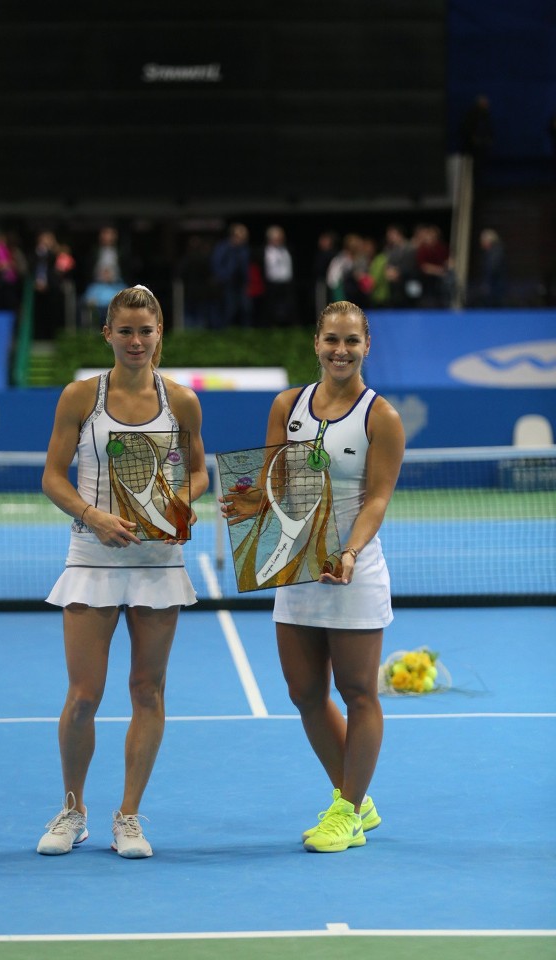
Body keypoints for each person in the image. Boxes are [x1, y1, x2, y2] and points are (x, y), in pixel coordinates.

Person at [223, 300, 405, 853]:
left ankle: (347, 812)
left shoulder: (382, 418)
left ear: (366, 346)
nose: (340, 350)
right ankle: (356, 797)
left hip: (352, 570)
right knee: (304, 692)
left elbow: (376, 500)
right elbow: (279, 481)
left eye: (351, 341)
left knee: (358, 693)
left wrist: (348, 552)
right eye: (331, 340)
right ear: (316, 343)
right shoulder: (288, 404)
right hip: (297, 568)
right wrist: (252, 502)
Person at [37, 284, 209, 859]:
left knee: (147, 691)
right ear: (107, 334)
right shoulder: (79, 397)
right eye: (126, 331)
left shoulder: (182, 401)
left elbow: (200, 473)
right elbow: (53, 478)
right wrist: (93, 516)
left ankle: (129, 816)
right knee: (84, 694)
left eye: (146, 330)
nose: (136, 341)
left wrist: (177, 504)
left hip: (158, 562)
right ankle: (72, 809)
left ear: (160, 334)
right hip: (92, 556)